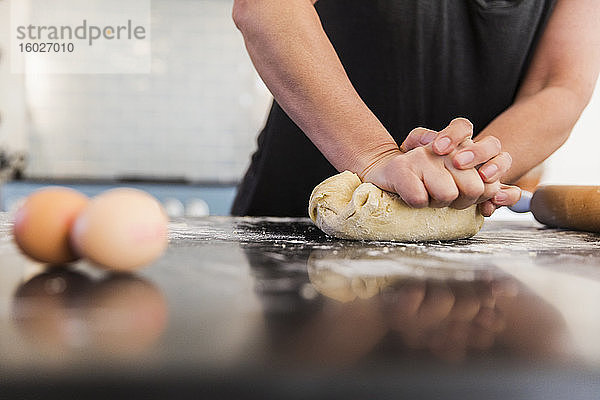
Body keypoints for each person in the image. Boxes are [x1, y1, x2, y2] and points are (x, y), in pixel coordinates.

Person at [231, 0, 600, 218]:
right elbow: (268, 7)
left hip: (454, 228)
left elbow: (559, 84)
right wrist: (374, 156)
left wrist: (469, 166)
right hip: (293, 216)